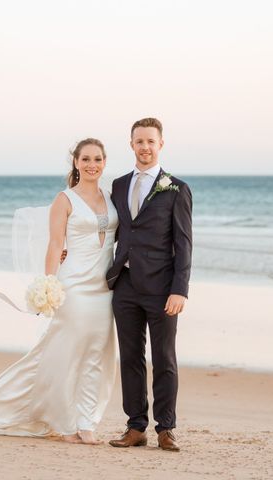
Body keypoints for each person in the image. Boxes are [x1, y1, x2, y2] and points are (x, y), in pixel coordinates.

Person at [0, 138, 118, 444]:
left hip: (104, 288)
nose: (91, 165)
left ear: (104, 162)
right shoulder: (64, 199)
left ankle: (87, 422)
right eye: (85, 159)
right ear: (75, 162)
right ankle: (64, 422)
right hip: (73, 286)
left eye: (97, 159)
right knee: (65, 354)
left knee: (97, 354)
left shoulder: (110, 197)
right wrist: (50, 284)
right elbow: (55, 245)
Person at [106, 118, 193, 452]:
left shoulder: (176, 188)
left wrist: (179, 289)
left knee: (164, 358)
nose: (144, 147)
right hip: (124, 285)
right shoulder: (117, 185)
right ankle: (136, 427)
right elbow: (109, 229)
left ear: (161, 145)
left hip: (162, 288)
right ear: (131, 144)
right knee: (130, 357)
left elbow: (184, 243)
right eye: (138, 141)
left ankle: (166, 428)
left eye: (150, 141)